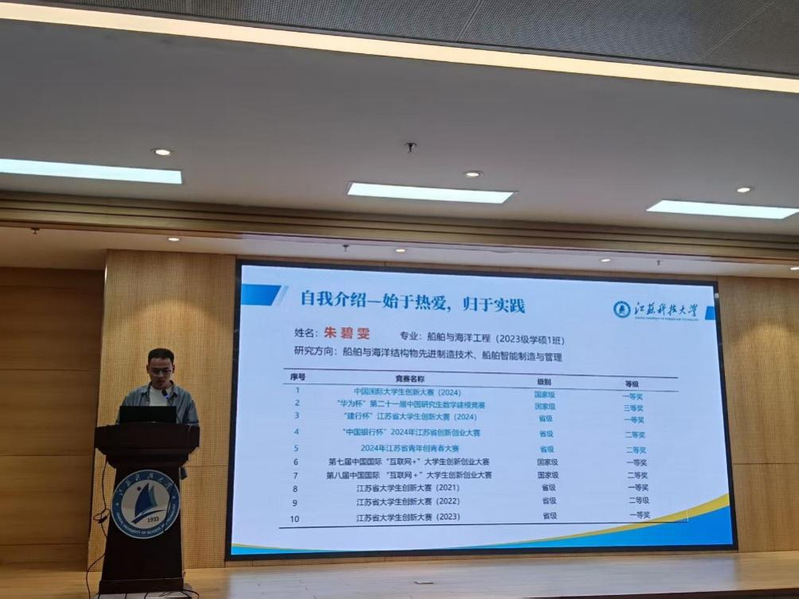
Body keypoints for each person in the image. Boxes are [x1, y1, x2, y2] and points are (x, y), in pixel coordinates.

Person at [120, 347, 199, 426]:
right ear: (147, 369)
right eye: (155, 371)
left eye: (165, 371)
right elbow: (120, 427)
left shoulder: (184, 398)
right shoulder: (133, 397)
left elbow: (192, 429)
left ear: (173, 369)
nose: (160, 375)